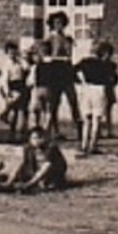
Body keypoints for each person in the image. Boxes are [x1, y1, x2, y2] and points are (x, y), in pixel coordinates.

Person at [37, 11, 83, 140]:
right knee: (53, 104)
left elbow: (70, 56)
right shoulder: (48, 40)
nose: (59, 25)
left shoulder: (68, 38)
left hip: (66, 73)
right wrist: (56, 58)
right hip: (54, 73)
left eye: (61, 23)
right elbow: (44, 57)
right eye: (56, 23)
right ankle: (54, 131)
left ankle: (79, 130)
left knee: (73, 101)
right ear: (52, 24)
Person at [74, 40, 118, 156]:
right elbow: (113, 79)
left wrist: (81, 80)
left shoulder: (85, 61)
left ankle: (84, 145)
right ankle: (93, 145)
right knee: (96, 120)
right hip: (99, 89)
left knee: (87, 120)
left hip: (87, 88)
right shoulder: (108, 65)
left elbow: (74, 71)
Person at [9, 127, 68, 192]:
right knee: (19, 163)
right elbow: (25, 163)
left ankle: (29, 185)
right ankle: (9, 182)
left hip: (52, 173)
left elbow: (49, 164)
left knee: (47, 165)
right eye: (34, 138)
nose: (37, 140)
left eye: (39, 137)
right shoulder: (28, 148)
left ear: (44, 138)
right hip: (36, 171)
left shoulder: (51, 148)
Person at [0, 41, 30, 141]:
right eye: (10, 52)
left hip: (21, 85)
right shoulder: (7, 64)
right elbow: (4, 79)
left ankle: (23, 129)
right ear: (7, 53)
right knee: (14, 109)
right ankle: (11, 128)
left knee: (23, 108)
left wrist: (22, 59)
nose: (12, 54)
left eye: (14, 51)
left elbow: (27, 68)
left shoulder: (20, 62)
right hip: (12, 86)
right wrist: (7, 91)